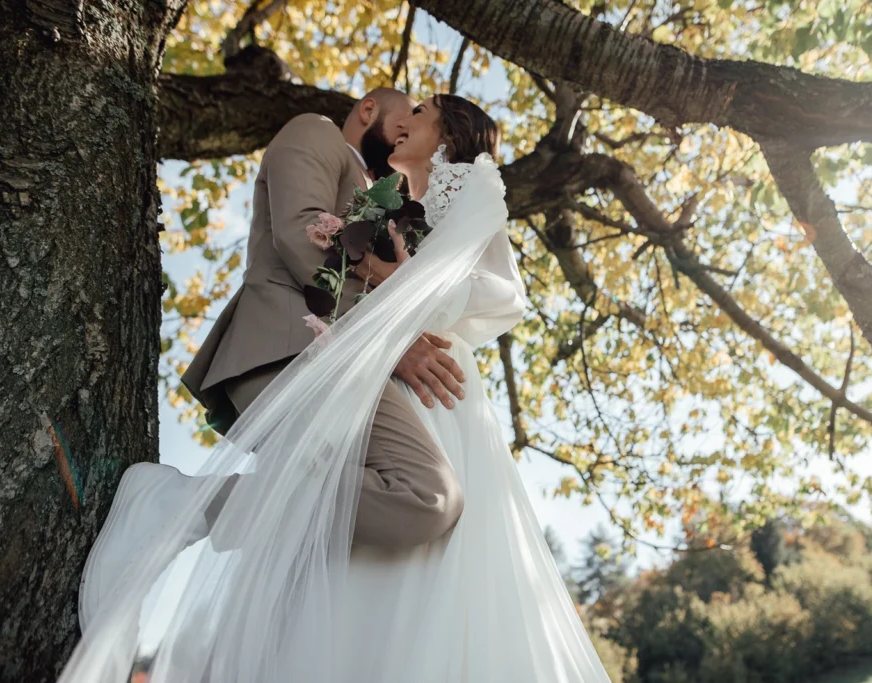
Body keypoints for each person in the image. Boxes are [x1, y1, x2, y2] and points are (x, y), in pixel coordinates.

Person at [60, 94, 611, 683]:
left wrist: (396, 299)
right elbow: (307, 242)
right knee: (418, 500)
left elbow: (483, 291)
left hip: (390, 370)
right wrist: (393, 323)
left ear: (449, 136)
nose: (406, 124)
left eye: (420, 114)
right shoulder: (318, 136)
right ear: (371, 109)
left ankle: (198, 522)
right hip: (309, 352)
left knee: (381, 536)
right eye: (406, 110)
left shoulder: (419, 196)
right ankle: (180, 508)